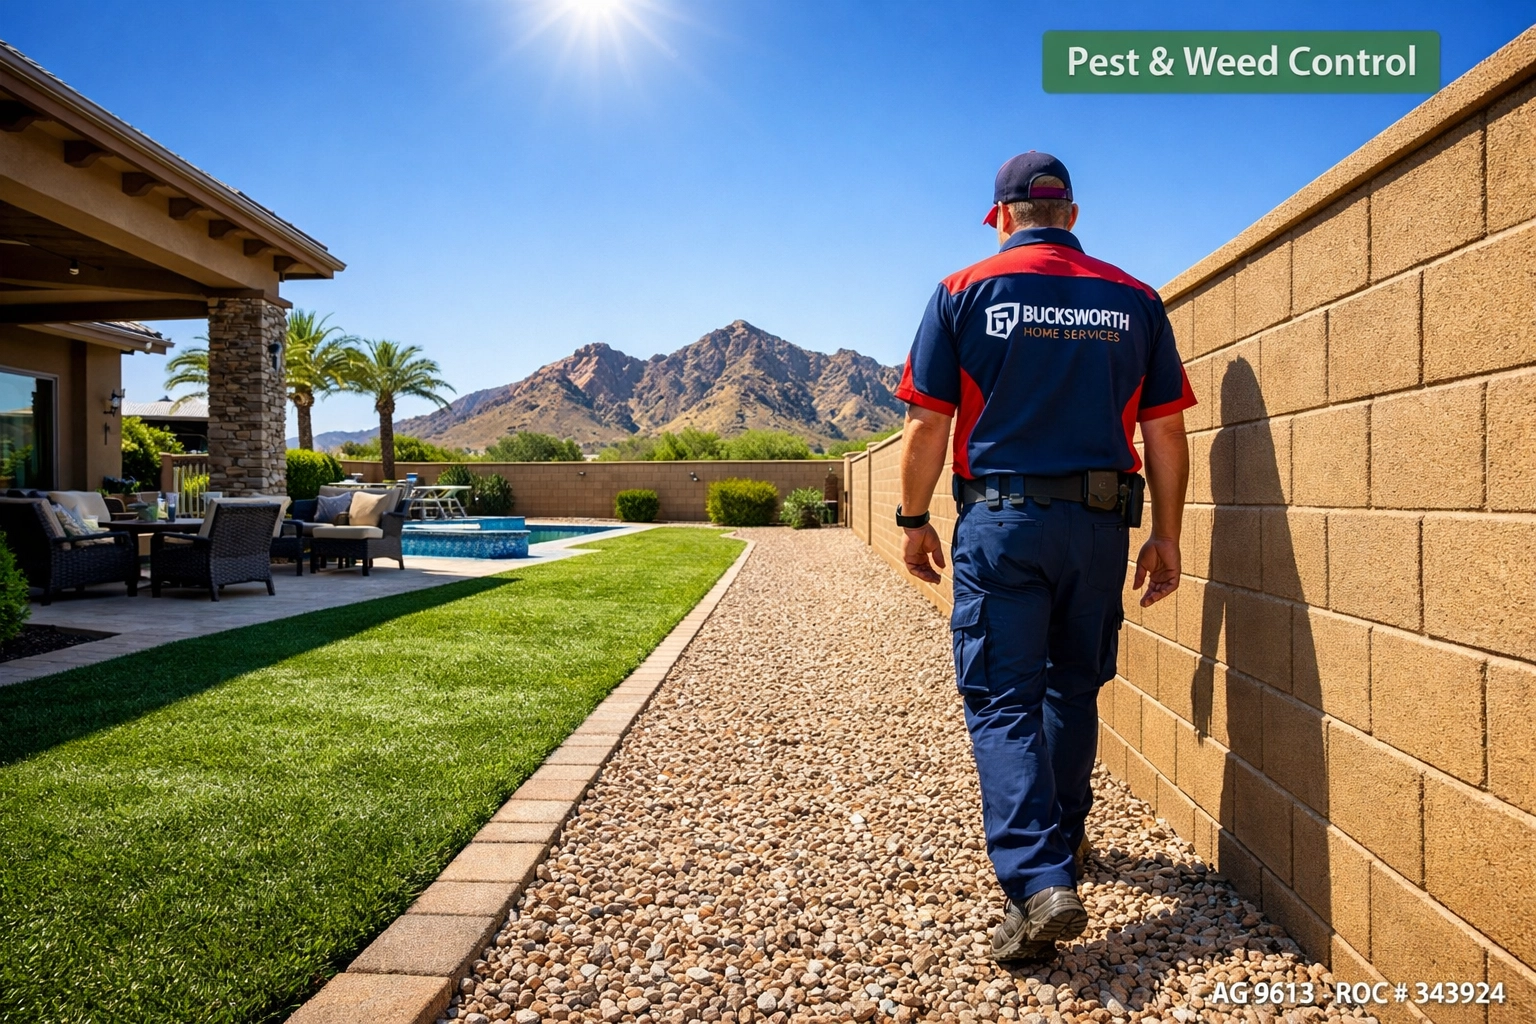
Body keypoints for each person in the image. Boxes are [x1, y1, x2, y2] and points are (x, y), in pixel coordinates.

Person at [893, 151, 1193, 962]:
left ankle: (1036, 879)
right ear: (1073, 214)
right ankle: (1064, 847)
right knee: (1073, 687)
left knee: (1001, 699)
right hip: (1100, 528)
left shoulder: (961, 292)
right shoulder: (1134, 298)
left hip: (1004, 521)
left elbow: (928, 425)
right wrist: (1166, 535)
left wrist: (912, 516)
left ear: (1000, 216)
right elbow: (1165, 428)